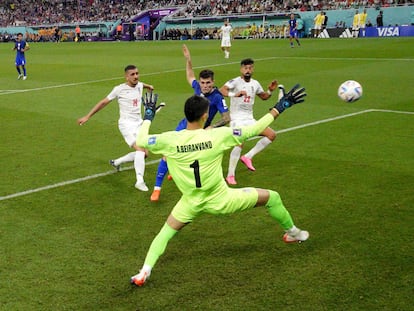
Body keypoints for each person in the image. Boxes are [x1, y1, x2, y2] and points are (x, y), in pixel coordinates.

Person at [130, 85, 309, 287]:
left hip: (189, 202)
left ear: (186, 115)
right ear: (205, 116)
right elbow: (255, 129)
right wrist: (280, 106)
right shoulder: (219, 135)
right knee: (273, 197)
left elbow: (141, 139)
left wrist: (148, 116)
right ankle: (293, 233)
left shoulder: (170, 139)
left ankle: (144, 272)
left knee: (165, 233)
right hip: (222, 199)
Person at [150, 44, 230, 202]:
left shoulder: (218, 97)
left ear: (213, 82)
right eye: (203, 83)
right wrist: (188, 60)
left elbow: (227, 117)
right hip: (184, 125)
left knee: (193, 157)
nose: (205, 86)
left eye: (208, 83)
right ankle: (157, 189)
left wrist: (212, 127)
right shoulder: (197, 88)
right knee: (167, 154)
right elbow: (190, 75)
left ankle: (180, 175)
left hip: (200, 131)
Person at [77, 65, 154, 191]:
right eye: (133, 74)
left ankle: (116, 162)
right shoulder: (119, 89)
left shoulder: (139, 85)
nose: (136, 76)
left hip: (139, 123)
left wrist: (149, 86)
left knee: (145, 154)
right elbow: (103, 102)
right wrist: (87, 116)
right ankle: (139, 181)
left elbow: (142, 84)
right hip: (126, 125)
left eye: (137, 73)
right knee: (140, 150)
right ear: (126, 76)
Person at [219, 58, 278, 185]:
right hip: (236, 119)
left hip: (250, 120)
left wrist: (270, 91)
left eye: (250, 68)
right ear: (241, 69)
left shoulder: (255, 84)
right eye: (245, 68)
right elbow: (221, 90)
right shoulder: (235, 82)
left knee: (271, 135)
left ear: (253, 69)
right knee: (239, 142)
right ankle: (230, 175)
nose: (248, 70)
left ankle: (247, 157)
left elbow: (263, 97)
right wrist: (234, 95)